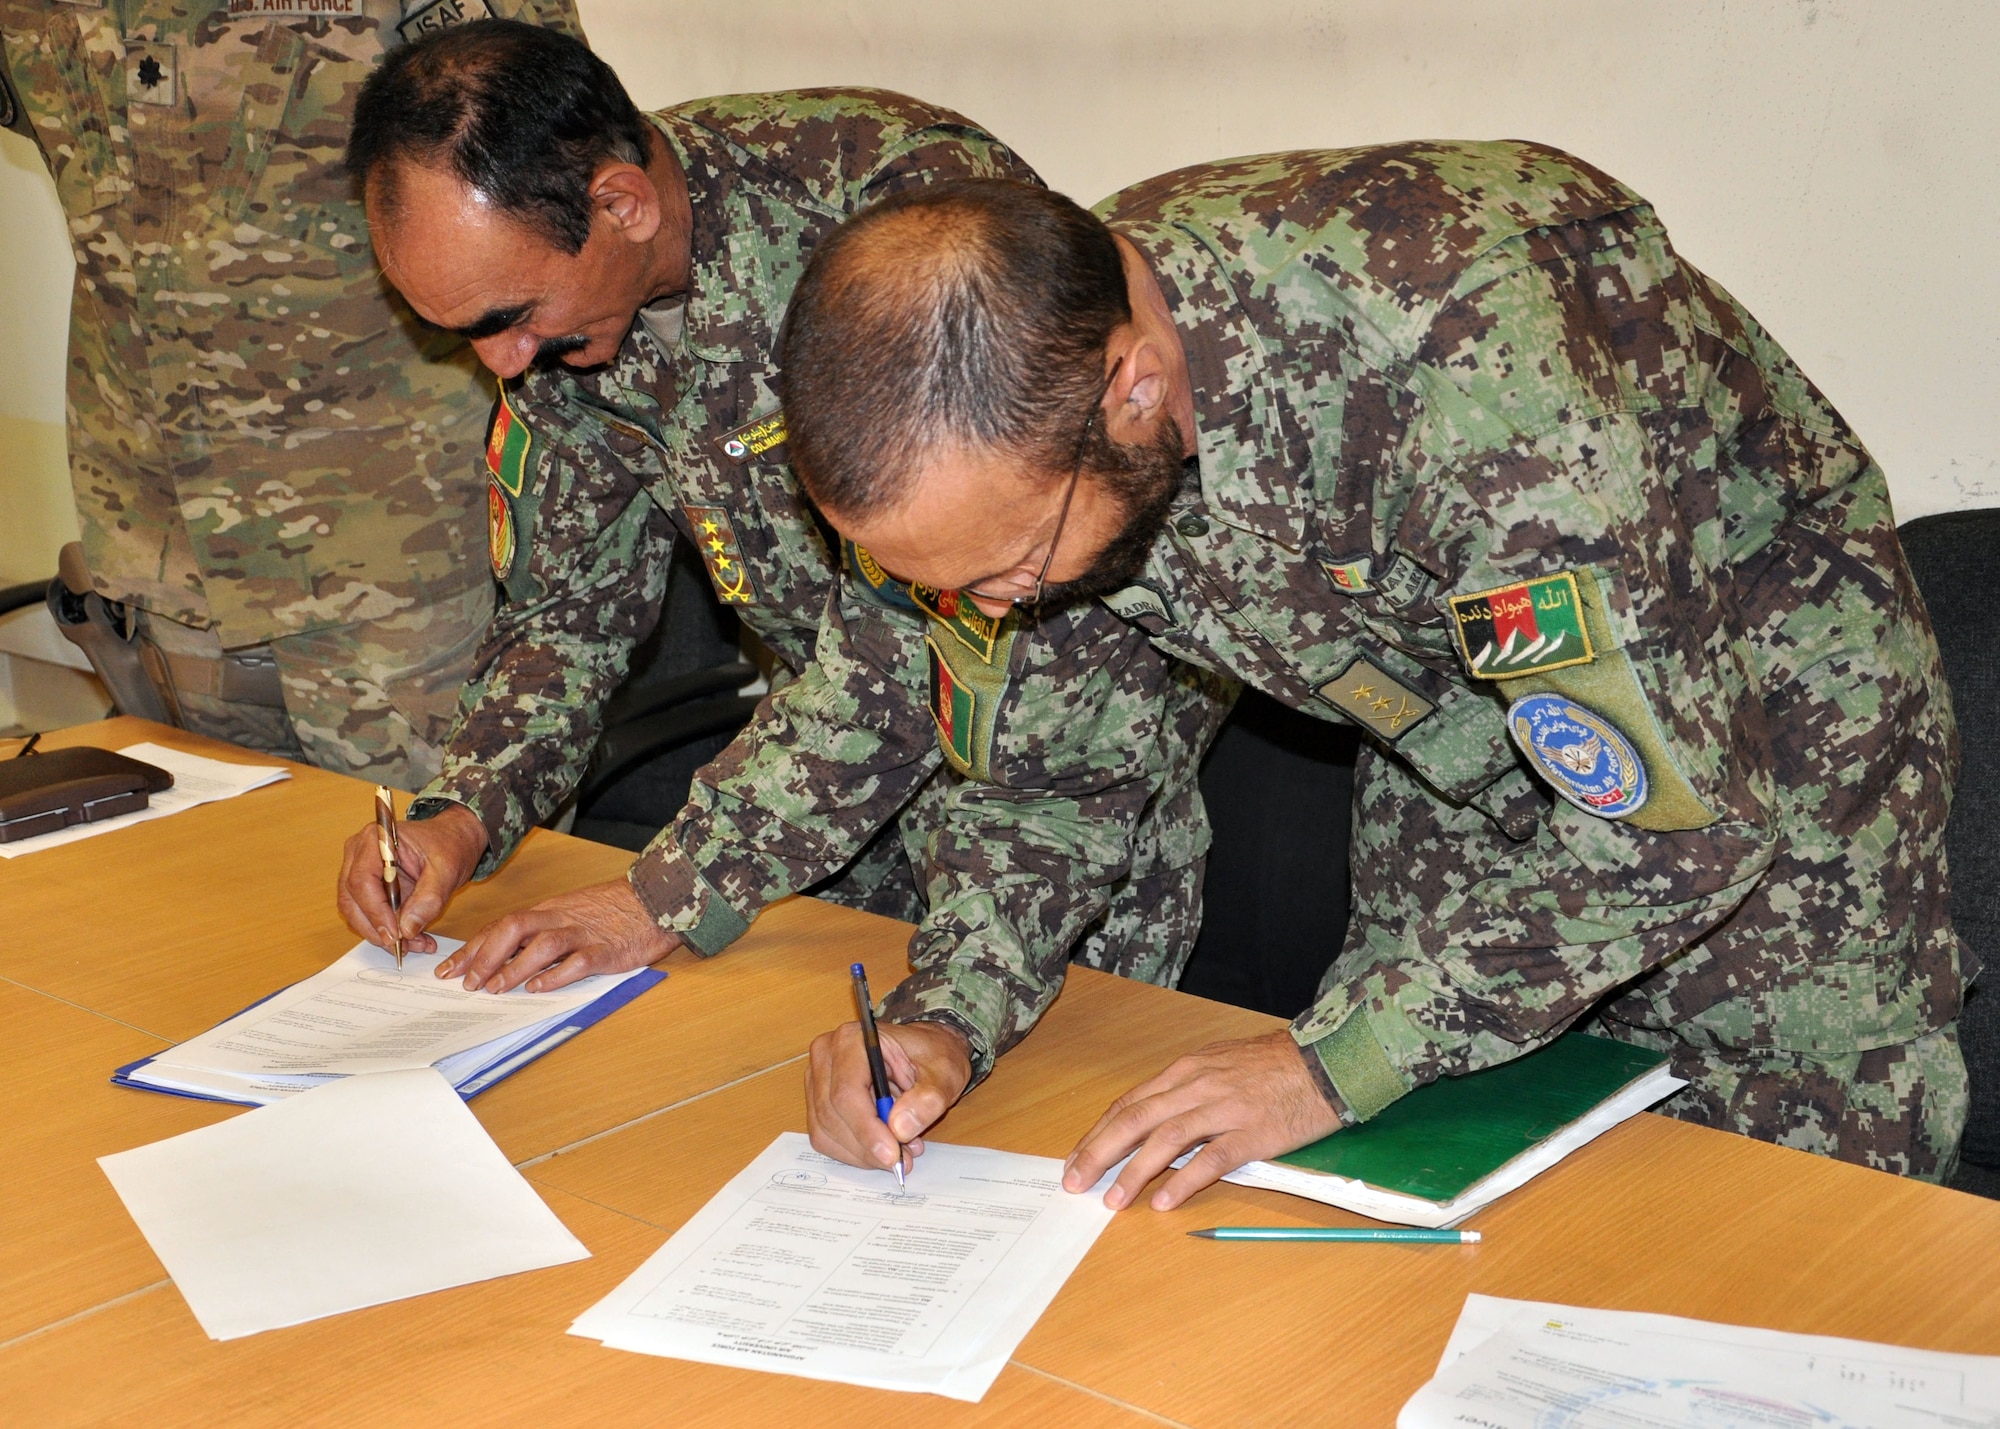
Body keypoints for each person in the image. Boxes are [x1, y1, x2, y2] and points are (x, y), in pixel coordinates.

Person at [774, 152, 1972, 1204]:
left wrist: (1323, 1062)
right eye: (951, 588)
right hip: (1440, 714)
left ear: (1133, 389)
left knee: (1777, 1190)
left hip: (1754, 705)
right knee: (1407, 1182)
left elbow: (1671, 833)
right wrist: (943, 1016)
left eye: (1012, 571)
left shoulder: (1470, 374)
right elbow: (1046, 780)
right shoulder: (1034, 414)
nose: (994, 612)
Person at [331, 24, 1230, 1013]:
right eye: (460, 331)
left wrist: (660, 894)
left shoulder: (903, 222)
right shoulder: (554, 321)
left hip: (1038, 772)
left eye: (507, 316)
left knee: (1056, 1092)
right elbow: (563, 613)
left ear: (619, 203)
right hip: (808, 782)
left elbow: (930, 642)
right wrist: (463, 808)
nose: (499, 363)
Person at [1, 0, 585, 789]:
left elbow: (549, 195)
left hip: (398, 551)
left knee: (442, 886)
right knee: (221, 874)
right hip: (161, 547)